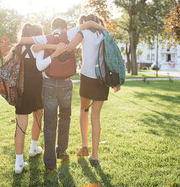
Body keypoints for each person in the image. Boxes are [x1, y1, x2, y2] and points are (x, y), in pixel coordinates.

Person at [20, 18, 105, 171]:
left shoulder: (45, 37)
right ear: (65, 28)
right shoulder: (71, 33)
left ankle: (50, 162)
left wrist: (38, 44)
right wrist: (104, 29)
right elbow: (89, 24)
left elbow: (23, 39)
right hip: (66, 84)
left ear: (52, 29)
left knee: (49, 122)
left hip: (49, 84)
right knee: (65, 118)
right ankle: (62, 151)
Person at [6, 23, 66, 174]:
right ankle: (33, 147)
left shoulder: (18, 48)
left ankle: (18, 163)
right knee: (38, 117)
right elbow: (40, 67)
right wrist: (54, 54)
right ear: (38, 34)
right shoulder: (37, 45)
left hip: (20, 89)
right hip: (36, 88)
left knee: (21, 124)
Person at [67, 14, 120, 167]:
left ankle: (84, 146)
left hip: (87, 77)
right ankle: (94, 155)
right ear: (98, 23)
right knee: (96, 116)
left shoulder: (83, 32)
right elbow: (114, 56)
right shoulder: (106, 34)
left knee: (84, 111)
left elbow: (70, 46)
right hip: (103, 79)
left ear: (85, 23)